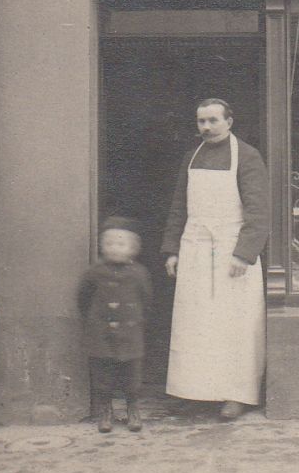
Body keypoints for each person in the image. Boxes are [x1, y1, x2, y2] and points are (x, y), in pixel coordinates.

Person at [160, 98, 269, 420]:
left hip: (232, 253)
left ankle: (238, 395)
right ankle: (192, 391)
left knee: (234, 325)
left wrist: (244, 254)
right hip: (195, 248)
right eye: (201, 121)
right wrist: (172, 250)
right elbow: (179, 206)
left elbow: (258, 211)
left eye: (212, 121)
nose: (206, 127)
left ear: (229, 122)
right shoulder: (190, 157)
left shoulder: (247, 157)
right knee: (196, 323)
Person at [77, 216, 154, 433]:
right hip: (101, 334)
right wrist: (93, 321)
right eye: (109, 243)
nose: (115, 249)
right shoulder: (95, 272)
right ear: (102, 246)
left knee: (132, 377)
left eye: (121, 244)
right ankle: (106, 411)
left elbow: (147, 301)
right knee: (103, 377)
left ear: (133, 247)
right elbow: (83, 298)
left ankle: (132, 408)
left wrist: (138, 322)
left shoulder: (139, 273)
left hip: (130, 335)